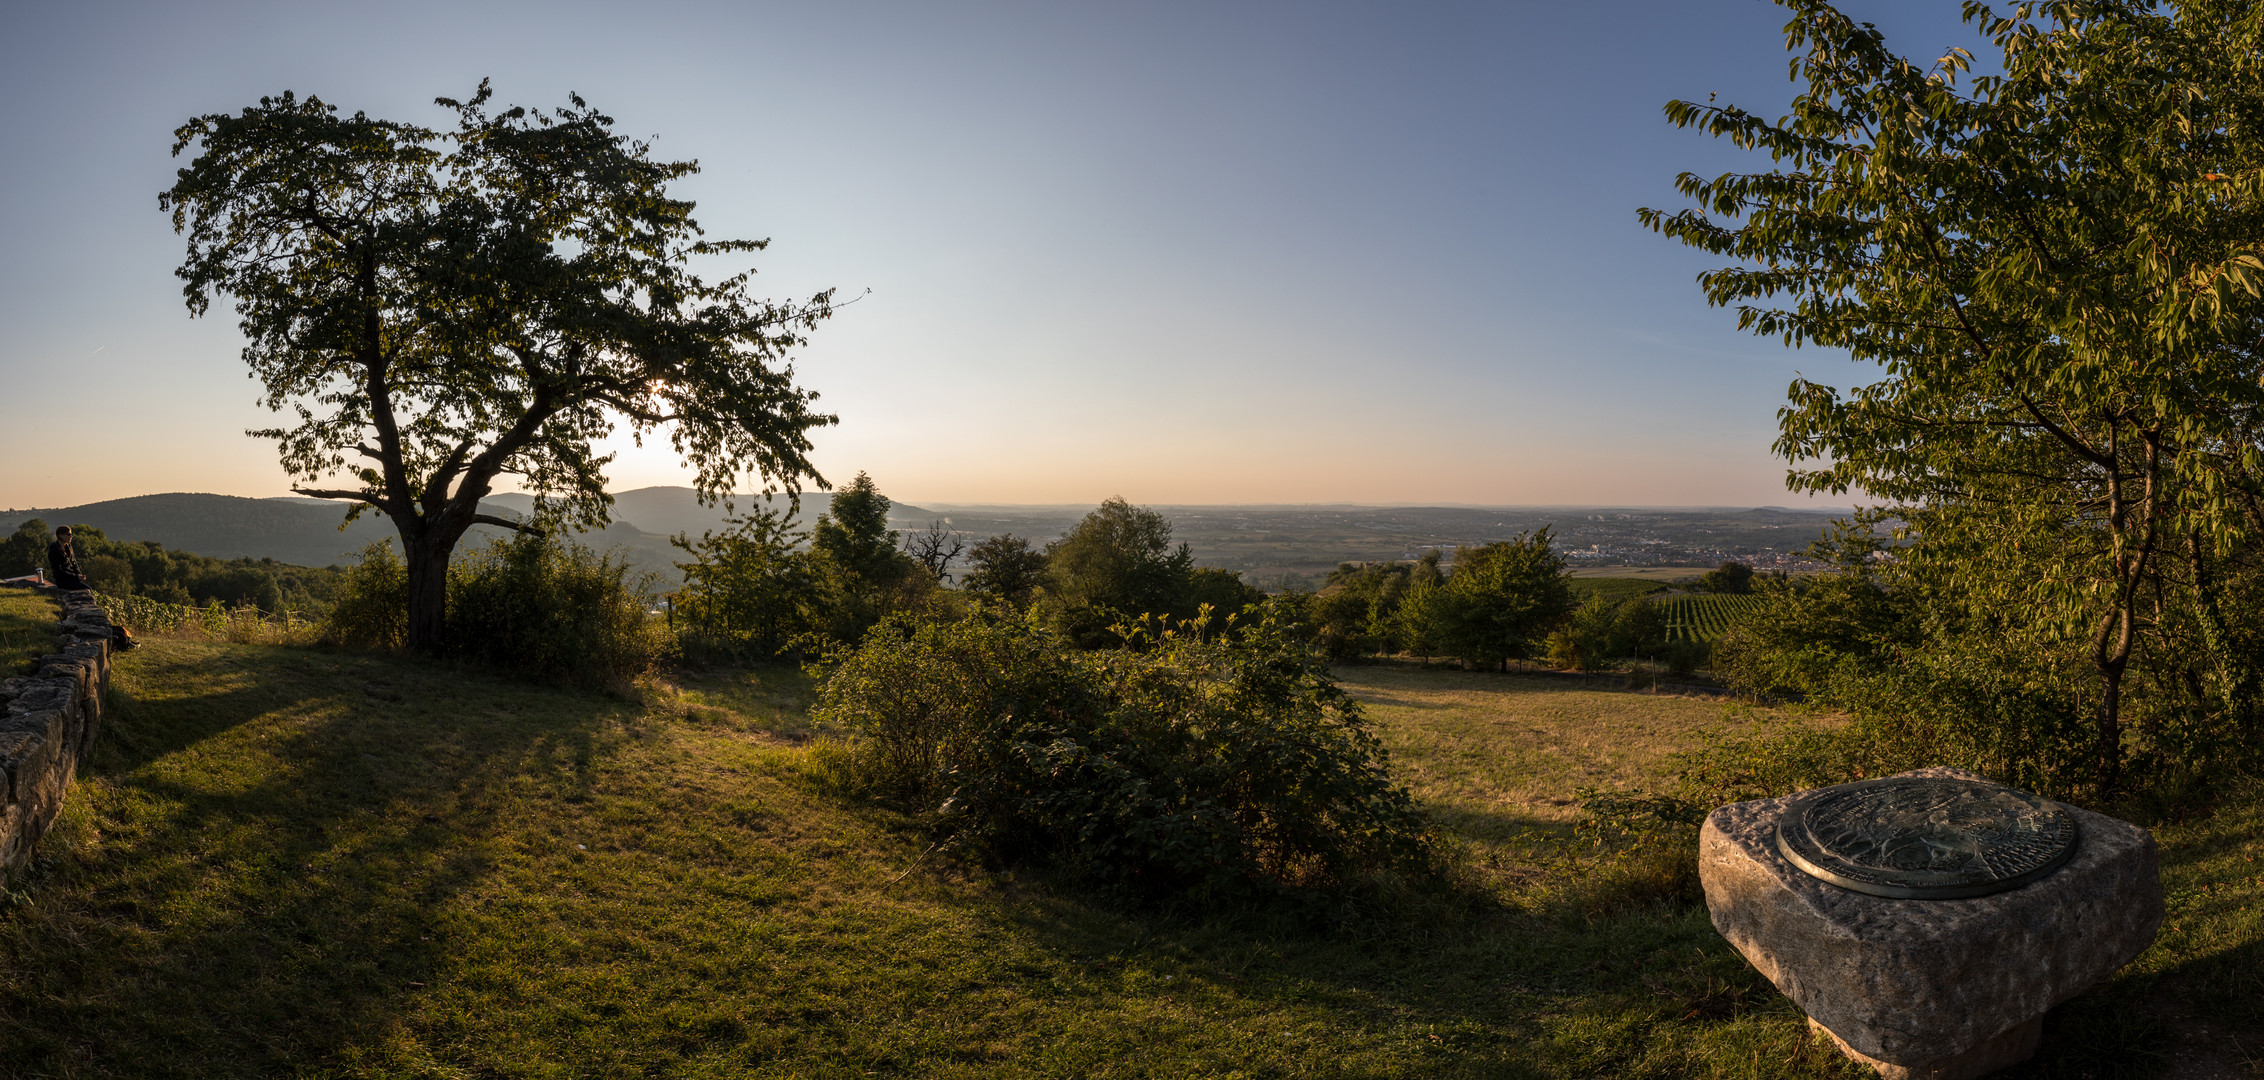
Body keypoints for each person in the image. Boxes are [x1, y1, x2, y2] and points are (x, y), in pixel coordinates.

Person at [47, 525, 92, 591]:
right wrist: (76, 577)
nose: (71, 536)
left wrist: (79, 574)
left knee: (87, 589)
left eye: (71, 534)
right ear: (61, 535)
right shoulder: (54, 550)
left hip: (72, 579)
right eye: (68, 534)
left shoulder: (68, 547)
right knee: (87, 589)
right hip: (62, 581)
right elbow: (58, 571)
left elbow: (74, 563)